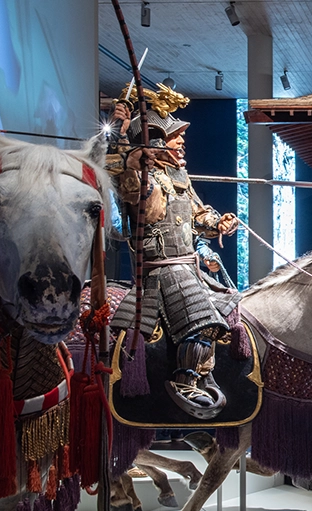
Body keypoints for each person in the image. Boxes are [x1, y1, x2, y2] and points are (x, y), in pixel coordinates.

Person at [106, 93, 240, 420]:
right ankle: (185, 382)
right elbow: (146, 207)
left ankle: (206, 370)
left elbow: (198, 213)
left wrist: (217, 223)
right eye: (175, 138)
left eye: (181, 137)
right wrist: (130, 155)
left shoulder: (180, 176)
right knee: (203, 322)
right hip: (163, 270)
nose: (182, 143)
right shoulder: (140, 179)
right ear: (155, 143)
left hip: (189, 267)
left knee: (231, 305)